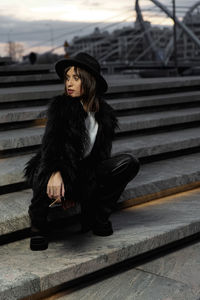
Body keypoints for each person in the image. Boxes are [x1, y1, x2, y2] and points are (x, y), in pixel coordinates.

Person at [23, 52, 140, 251]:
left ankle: (97, 217)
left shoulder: (105, 117)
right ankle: (38, 227)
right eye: (67, 78)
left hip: (83, 172)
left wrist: (81, 191)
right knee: (43, 172)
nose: (69, 83)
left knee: (129, 163)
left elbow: (99, 157)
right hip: (60, 165)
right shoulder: (61, 108)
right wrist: (55, 172)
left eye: (76, 78)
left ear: (89, 81)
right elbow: (51, 145)